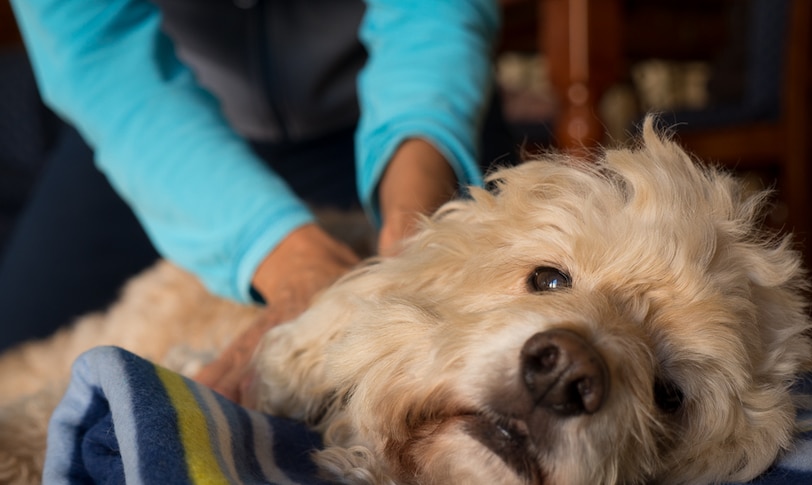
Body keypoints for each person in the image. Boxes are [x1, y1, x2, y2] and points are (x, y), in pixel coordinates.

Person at [2, 0, 515, 403]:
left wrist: (414, 231)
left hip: (405, 113)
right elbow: (98, 49)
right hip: (152, 118)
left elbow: (431, 12)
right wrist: (295, 264)